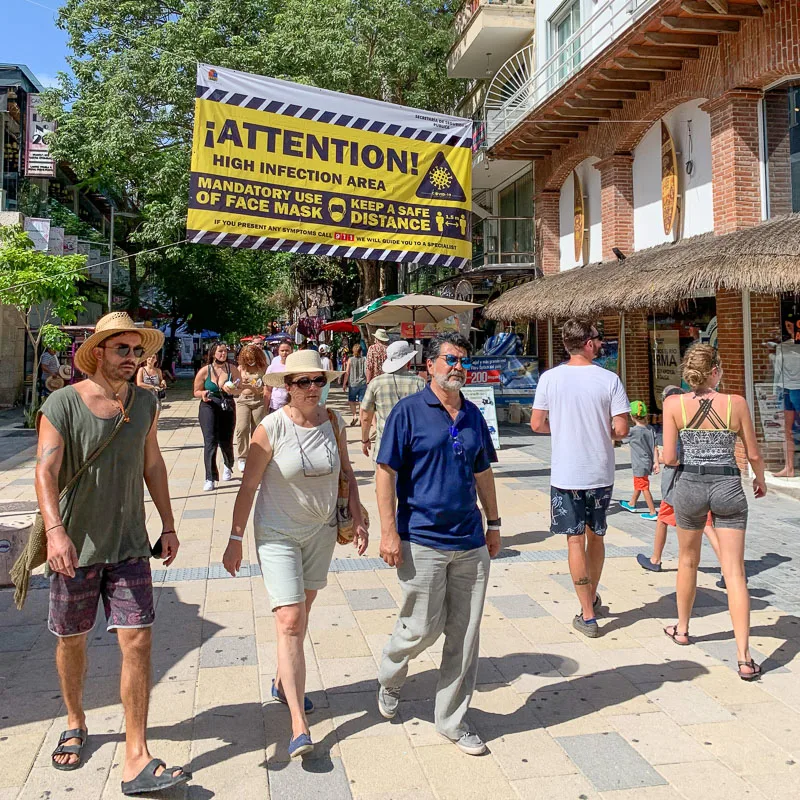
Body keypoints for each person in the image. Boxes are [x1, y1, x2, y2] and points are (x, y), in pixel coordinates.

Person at [34, 312, 188, 796]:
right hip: (74, 548)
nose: (132, 358)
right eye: (122, 349)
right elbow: (44, 472)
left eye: (137, 350)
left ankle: (136, 755)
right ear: (98, 352)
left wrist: (166, 524)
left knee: (138, 640)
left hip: (127, 544)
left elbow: (153, 464)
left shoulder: (144, 404)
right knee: (72, 640)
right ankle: (76, 720)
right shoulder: (62, 403)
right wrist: (55, 533)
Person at [223, 350, 368, 758]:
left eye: (318, 381)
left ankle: (280, 680)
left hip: (320, 532)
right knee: (289, 620)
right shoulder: (271, 428)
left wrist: (356, 515)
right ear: (286, 388)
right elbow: (248, 487)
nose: (312, 389)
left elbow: (346, 473)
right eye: (302, 382)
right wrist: (235, 539)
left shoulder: (334, 422)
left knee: (301, 614)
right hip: (277, 534)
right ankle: (298, 726)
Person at [375, 332, 500, 756]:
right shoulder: (407, 413)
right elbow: (385, 473)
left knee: (465, 634)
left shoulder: (473, 416)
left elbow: (483, 472)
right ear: (429, 365)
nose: (457, 366)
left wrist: (495, 523)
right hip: (422, 538)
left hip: (469, 539)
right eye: (450, 359)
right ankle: (391, 675)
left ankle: (451, 719)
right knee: (421, 627)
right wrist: (388, 531)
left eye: (463, 360)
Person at [661, 343, 766, 680]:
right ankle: (744, 657)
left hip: (690, 485)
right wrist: (760, 480)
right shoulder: (736, 403)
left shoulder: (673, 404)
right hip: (728, 486)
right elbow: (753, 452)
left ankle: (682, 628)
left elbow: (670, 459)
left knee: (687, 560)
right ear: (716, 371)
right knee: (734, 571)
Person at [530, 320, 630, 638]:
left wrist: (560, 430)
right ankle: (591, 597)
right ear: (587, 343)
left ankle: (588, 613)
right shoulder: (609, 380)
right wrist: (605, 432)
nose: (601, 345)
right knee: (596, 537)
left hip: (566, 471)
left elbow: (536, 424)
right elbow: (622, 429)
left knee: (574, 540)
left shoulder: (550, 379)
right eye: (598, 340)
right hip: (599, 470)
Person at [637, 385, 723, 573]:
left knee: (700, 524)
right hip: (701, 480)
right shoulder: (698, 421)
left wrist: (659, 458)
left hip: (679, 483)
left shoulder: (674, 425)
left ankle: (656, 559)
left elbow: (670, 458)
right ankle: (730, 567)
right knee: (701, 523)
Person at [360, 340, 426, 461]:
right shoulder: (419, 382)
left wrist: (365, 440)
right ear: (408, 361)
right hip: (413, 449)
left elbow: (365, 416)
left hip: (384, 448)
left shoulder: (376, 383)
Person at [193, 342, 241, 492]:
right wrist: (202, 394)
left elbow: (239, 389)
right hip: (209, 405)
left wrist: (232, 389)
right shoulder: (204, 371)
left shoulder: (232, 369)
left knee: (226, 441)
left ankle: (228, 464)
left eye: (225, 351)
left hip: (226, 404)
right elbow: (195, 391)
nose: (223, 354)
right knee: (210, 441)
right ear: (213, 353)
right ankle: (210, 477)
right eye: (220, 351)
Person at [620, 401, 659, 520]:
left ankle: (653, 512)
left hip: (639, 464)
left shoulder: (632, 431)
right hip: (647, 462)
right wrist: (656, 462)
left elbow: (620, 437)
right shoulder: (650, 429)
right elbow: (655, 447)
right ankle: (631, 504)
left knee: (644, 487)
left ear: (631, 416)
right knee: (640, 483)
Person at [235, 344, 268, 473]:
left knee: (258, 429)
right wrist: (239, 385)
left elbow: (266, 386)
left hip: (258, 400)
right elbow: (236, 387)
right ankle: (242, 456)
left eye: (252, 358)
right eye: (247, 359)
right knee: (242, 428)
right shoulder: (241, 368)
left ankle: (257, 456)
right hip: (244, 400)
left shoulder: (263, 368)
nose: (250, 361)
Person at [264, 339, 293, 414]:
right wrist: (266, 407)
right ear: (278, 351)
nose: (284, 353)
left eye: (287, 350)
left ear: (291, 351)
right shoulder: (272, 368)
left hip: (292, 405)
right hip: (275, 405)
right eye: (282, 350)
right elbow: (268, 389)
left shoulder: (295, 367)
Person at [342, 342, 367, 426]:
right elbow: (366, 371)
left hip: (353, 384)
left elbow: (347, 372)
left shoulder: (350, 360)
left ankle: (354, 415)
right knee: (361, 401)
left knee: (351, 400)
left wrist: (344, 383)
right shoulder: (364, 359)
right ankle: (361, 418)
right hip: (363, 383)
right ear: (361, 351)